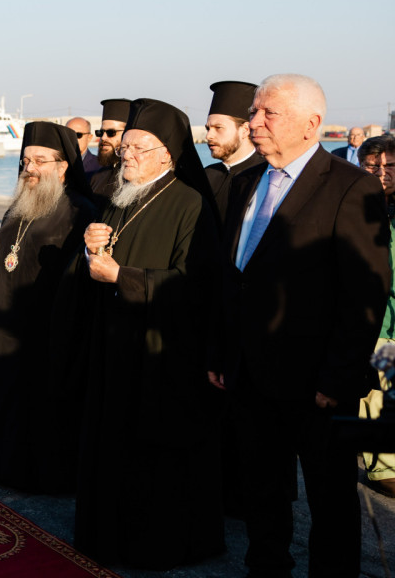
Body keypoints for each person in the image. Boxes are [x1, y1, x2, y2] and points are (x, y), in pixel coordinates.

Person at [214, 74, 390, 578]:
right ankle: (265, 569)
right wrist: (220, 355)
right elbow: (232, 281)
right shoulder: (247, 181)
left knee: (329, 501)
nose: (255, 122)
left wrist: (337, 379)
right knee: (262, 492)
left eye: (269, 113)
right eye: (253, 113)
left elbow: (365, 291)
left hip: (316, 385)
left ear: (312, 123)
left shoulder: (350, 185)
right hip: (249, 376)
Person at [77, 98, 224, 569]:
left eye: (141, 148)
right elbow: (102, 268)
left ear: (169, 154)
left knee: (154, 460)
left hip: (162, 355)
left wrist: (122, 277)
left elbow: (195, 286)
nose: (128, 156)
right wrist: (90, 248)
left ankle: (152, 546)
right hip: (115, 348)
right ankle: (106, 536)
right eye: (126, 147)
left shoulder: (189, 203)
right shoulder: (122, 195)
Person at [0, 122, 97, 493]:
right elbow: (3, 260)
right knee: (6, 395)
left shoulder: (81, 211)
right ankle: (1, 464)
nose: (29, 168)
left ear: (63, 166)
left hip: (47, 327)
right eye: (26, 160)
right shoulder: (19, 204)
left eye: (40, 161)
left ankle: (40, 475)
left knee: (40, 403)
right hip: (7, 322)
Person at [357, 134, 395, 499]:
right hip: (375, 322)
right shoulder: (356, 206)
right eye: (372, 166)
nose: (381, 172)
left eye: (389, 166)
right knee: (376, 397)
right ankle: (382, 467)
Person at [203, 80, 265, 223]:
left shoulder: (264, 175)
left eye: (218, 128)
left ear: (245, 130)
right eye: (208, 128)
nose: (209, 136)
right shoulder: (206, 176)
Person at [88, 99, 130, 200]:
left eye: (111, 133)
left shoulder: (134, 178)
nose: (103, 138)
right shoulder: (96, 177)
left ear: (128, 133)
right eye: (101, 132)